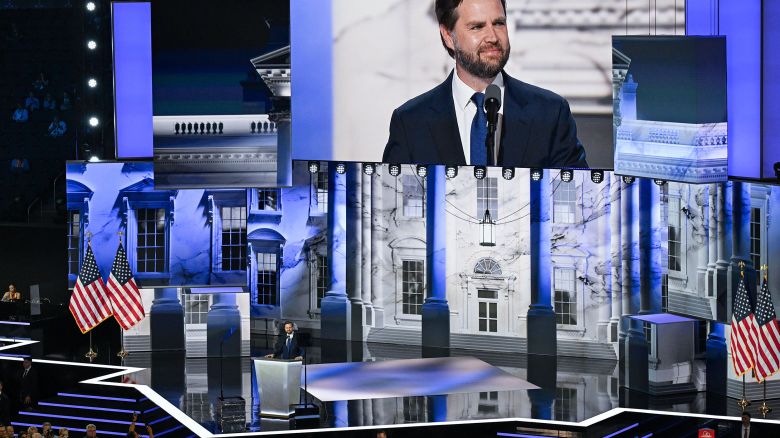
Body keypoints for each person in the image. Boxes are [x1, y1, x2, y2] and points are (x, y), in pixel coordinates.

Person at [382, 0, 587, 168]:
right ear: (448, 36)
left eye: (499, 23)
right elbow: (393, 208)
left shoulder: (550, 113)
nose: (493, 37)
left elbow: (576, 204)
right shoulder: (410, 122)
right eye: (477, 27)